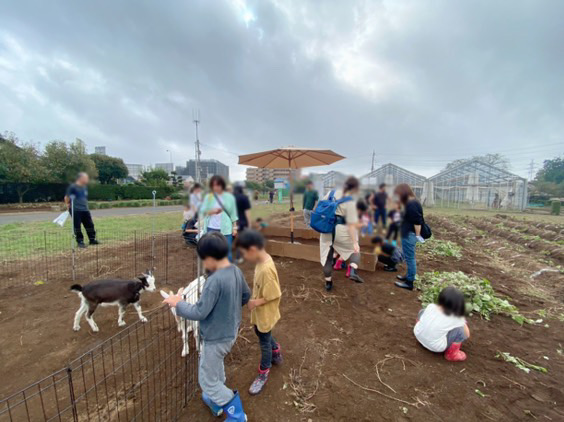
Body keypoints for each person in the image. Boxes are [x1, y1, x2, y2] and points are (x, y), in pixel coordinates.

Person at [162, 232, 251, 420]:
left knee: (207, 380)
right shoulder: (235, 270)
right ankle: (216, 400)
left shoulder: (214, 281)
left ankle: (237, 415)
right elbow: (245, 296)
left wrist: (177, 303)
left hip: (216, 337)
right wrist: (228, 311)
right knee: (214, 367)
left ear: (209, 258)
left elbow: (199, 313)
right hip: (230, 331)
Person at [236, 230, 283, 395]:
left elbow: (275, 293)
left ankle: (264, 371)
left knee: (263, 338)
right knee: (263, 332)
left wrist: (254, 302)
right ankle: (276, 350)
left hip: (264, 311)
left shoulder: (266, 271)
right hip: (261, 312)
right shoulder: (262, 261)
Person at [320, 176, 364, 291]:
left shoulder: (331, 193)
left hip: (327, 228)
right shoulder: (351, 200)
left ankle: (328, 284)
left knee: (327, 257)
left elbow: (320, 207)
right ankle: (353, 270)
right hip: (342, 229)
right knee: (354, 251)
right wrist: (355, 242)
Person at [414, 287, 470, 362]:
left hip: (417, 335)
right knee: (460, 330)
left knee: (423, 311)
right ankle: (452, 354)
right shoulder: (456, 318)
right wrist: (463, 321)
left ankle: (422, 330)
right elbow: (467, 335)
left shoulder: (431, 306)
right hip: (436, 347)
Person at [200, 175, 238, 262]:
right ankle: (213, 273)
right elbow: (202, 212)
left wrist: (235, 228)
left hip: (226, 229)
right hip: (211, 228)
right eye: (213, 185)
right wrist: (211, 211)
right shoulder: (208, 197)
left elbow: (233, 214)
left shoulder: (229, 198)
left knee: (227, 253)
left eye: (218, 185)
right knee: (211, 252)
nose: (215, 187)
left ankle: (228, 272)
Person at [394, 183, 425, 290]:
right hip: (408, 233)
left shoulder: (412, 204)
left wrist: (417, 235)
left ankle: (409, 282)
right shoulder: (411, 202)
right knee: (408, 257)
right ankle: (408, 276)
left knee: (410, 258)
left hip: (410, 234)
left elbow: (417, 221)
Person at [64, 172, 99, 248]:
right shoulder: (73, 187)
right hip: (76, 210)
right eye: (86, 178)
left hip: (85, 209)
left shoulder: (84, 187)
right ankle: (80, 241)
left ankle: (92, 239)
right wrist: (68, 205)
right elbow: (67, 197)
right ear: (80, 178)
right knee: (77, 226)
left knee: (90, 224)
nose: (87, 180)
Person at [233, 184, 252, 264]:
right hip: (242, 222)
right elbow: (247, 212)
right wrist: (249, 223)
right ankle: (239, 257)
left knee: (234, 239)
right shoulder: (244, 198)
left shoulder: (231, 198)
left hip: (233, 222)